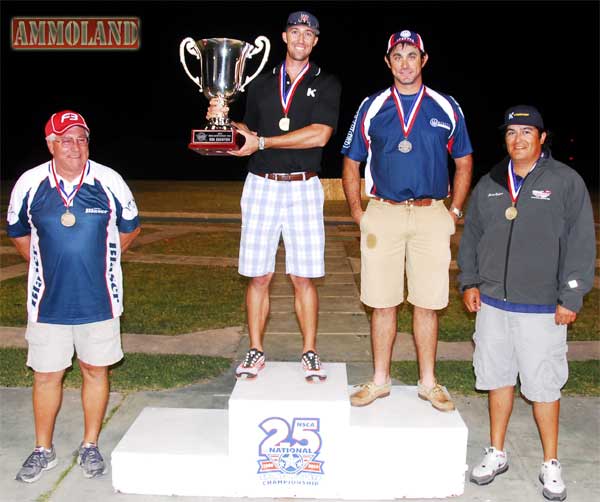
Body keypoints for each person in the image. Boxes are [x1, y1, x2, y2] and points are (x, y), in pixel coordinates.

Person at [458, 105, 595, 502]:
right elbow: (472, 239)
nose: (517, 140)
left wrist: (571, 294)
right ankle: (497, 451)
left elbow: (580, 243)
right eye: (511, 132)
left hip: (542, 308)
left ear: (542, 137)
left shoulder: (565, 182)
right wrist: (469, 281)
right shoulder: (489, 183)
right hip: (494, 305)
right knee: (497, 379)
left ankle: (550, 462)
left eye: (526, 132)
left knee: (543, 386)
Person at [341, 30, 473, 410]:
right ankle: (380, 380)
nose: (404, 63)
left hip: (432, 213)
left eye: (411, 55)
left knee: (427, 303)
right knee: (382, 303)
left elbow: (464, 161)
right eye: (397, 56)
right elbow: (351, 161)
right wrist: (356, 211)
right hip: (383, 212)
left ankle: (428, 382)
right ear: (388, 62)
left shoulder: (446, 106)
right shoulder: (372, 105)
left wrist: (454, 212)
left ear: (423, 60)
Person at [7, 110, 141, 483]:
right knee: (47, 375)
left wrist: (98, 259)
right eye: (66, 139)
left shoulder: (109, 180)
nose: (76, 146)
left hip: (100, 300)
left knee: (95, 371)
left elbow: (129, 229)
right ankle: (42, 450)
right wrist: (47, 261)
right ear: (50, 144)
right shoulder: (30, 183)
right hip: (47, 302)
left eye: (82, 139)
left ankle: (90, 445)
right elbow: (18, 232)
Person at [207, 11, 341, 381]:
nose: (301, 38)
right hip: (261, 184)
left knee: (304, 277)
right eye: (295, 31)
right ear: (284, 37)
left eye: (308, 33)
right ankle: (255, 350)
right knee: (259, 276)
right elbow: (249, 131)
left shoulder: (327, 83)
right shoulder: (262, 83)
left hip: (303, 186)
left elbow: (319, 135)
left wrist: (262, 142)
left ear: (315, 41)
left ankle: (310, 351)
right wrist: (223, 119)